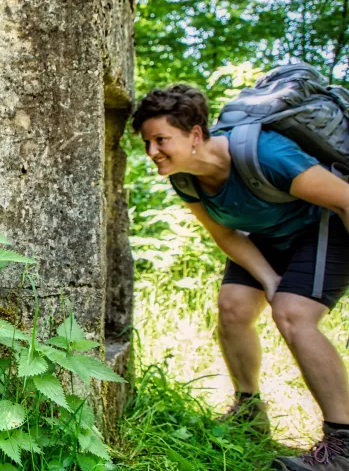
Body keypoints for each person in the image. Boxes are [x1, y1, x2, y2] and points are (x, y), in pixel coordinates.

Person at [133, 84, 349, 471]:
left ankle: (344, 443)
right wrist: (268, 279)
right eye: (147, 142)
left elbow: (345, 199)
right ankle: (250, 413)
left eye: (161, 139)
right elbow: (225, 234)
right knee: (233, 307)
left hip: (323, 225)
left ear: (195, 134)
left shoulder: (266, 154)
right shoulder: (185, 178)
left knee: (293, 313)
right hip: (268, 235)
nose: (152, 151)